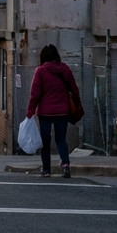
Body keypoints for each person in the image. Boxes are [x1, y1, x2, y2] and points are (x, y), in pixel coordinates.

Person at [28, 44, 78, 178]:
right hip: (62, 111)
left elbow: (35, 94)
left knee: (45, 141)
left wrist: (30, 112)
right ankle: (66, 164)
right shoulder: (65, 69)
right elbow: (73, 88)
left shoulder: (40, 71)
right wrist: (77, 104)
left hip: (45, 112)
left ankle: (46, 169)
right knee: (61, 139)